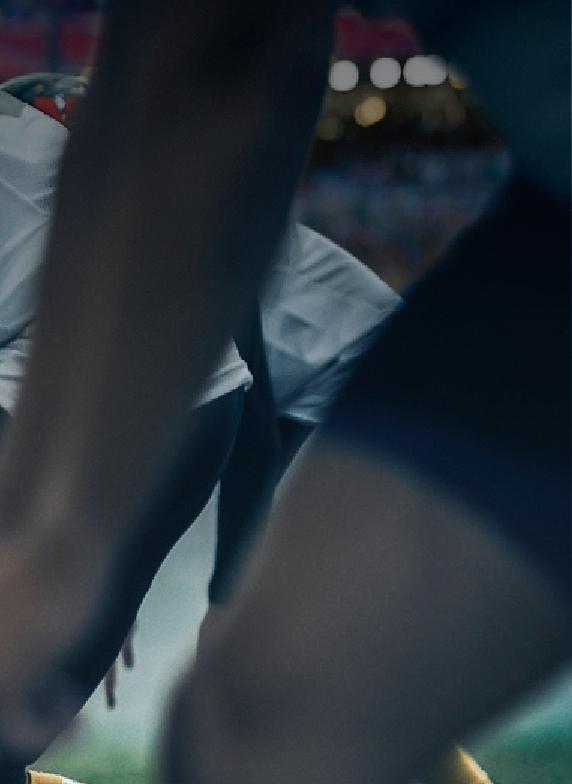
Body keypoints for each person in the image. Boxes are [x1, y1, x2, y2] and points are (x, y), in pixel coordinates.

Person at [0, 1, 567, 782]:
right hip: (533, 222)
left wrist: (72, 556)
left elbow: (222, 63)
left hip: (313, 362)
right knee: (256, 722)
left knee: (279, 698)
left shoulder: (118, 207)